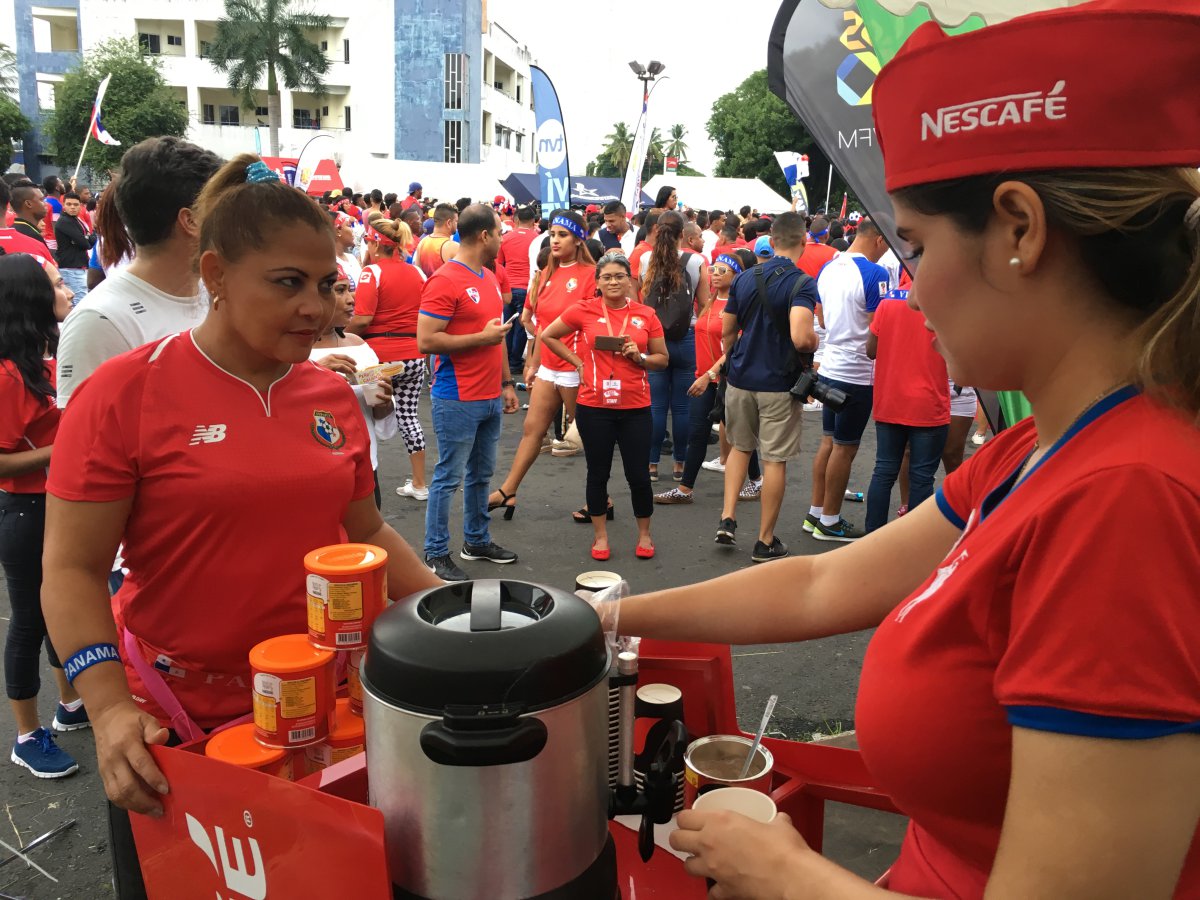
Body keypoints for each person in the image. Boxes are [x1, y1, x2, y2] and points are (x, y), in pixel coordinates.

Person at [612, 5, 1200, 896]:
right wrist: (613, 619)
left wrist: (783, 873)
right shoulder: (1040, 450)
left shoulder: (1127, 498)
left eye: (916, 245)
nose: (910, 290)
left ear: (1019, 228)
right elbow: (821, 581)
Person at [40, 156, 441, 898]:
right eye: (288, 282)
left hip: (325, 710)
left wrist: (449, 608)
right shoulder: (124, 393)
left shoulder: (331, 395)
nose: (316, 308)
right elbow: (70, 569)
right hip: (176, 723)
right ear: (217, 274)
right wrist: (107, 711)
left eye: (326, 284)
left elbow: (367, 535)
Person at [56, 137, 223, 408]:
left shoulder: (219, 293)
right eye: (222, 210)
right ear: (190, 221)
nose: (233, 222)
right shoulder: (101, 321)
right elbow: (84, 442)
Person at [1, 253, 84, 780]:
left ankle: (70, 704)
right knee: (29, 620)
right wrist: (66, 444)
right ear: (32, 299)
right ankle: (27, 736)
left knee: (62, 611)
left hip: (54, 505)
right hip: (26, 510)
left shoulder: (42, 358)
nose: (69, 290)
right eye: (57, 284)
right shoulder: (9, 375)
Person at [540, 253, 667, 560]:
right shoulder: (583, 310)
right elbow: (548, 335)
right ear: (597, 282)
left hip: (635, 406)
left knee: (638, 475)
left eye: (619, 276)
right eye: (607, 277)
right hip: (594, 405)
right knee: (598, 473)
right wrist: (576, 363)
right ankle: (600, 537)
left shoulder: (645, 314)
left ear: (629, 280)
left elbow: (662, 360)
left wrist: (641, 357)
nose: (613, 282)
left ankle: (645, 534)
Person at [417, 204, 519, 582]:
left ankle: (476, 540)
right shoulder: (445, 280)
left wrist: (507, 383)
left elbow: (498, 337)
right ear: (483, 236)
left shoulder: (489, 276)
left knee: (481, 474)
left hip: (490, 394)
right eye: (499, 232)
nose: (502, 238)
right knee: (449, 477)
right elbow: (426, 340)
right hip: (456, 396)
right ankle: (435, 552)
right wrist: (482, 338)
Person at [717, 212, 818, 560]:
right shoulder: (802, 282)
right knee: (774, 460)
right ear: (803, 242)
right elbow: (801, 337)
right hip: (778, 382)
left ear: (771, 242)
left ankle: (727, 517)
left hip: (741, 376)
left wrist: (733, 358)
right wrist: (815, 342)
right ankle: (764, 539)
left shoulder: (744, 278)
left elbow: (728, 330)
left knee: (740, 448)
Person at [487, 210, 596, 518]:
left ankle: (601, 499)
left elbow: (593, 326)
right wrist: (533, 363)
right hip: (548, 366)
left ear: (578, 239)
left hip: (576, 368)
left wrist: (583, 366)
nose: (555, 240)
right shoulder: (545, 273)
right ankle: (508, 491)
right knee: (531, 430)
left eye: (562, 235)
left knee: (589, 437)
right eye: (552, 234)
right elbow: (541, 325)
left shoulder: (591, 275)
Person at [654, 250, 764, 505]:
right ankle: (684, 490)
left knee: (740, 435)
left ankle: (757, 481)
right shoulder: (709, 302)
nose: (714, 274)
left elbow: (736, 347)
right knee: (698, 434)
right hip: (705, 378)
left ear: (736, 276)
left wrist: (710, 373)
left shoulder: (739, 306)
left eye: (722, 271)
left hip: (729, 379)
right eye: (713, 269)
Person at [807, 216, 890, 541]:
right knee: (845, 448)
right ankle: (830, 520)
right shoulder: (875, 272)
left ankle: (816, 513)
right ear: (879, 240)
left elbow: (823, 317)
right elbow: (877, 328)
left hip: (830, 366)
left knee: (829, 442)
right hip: (856, 373)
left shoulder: (829, 267)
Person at [346, 215, 430, 501]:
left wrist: (339, 334)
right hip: (414, 358)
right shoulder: (417, 273)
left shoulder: (372, 272)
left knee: (360, 412)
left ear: (375, 243)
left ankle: (362, 481)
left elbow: (362, 318)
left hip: (380, 363)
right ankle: (419, 484)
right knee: (409, 417)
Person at [864, 285, 949, 532]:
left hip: (890, 399)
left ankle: (872, 538)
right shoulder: (942, 301)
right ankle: (915, 542)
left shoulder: (888, 301)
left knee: (883, 471)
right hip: (928, 403)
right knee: (922, 477)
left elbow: (871, 351)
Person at [311, 265, 398, 509]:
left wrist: (384, 401)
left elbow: (379, 422)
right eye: (340, 291)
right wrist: (315, 373)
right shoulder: (287, 352)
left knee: (365, 541)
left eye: (350, 290)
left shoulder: (359, 346)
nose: (351, 300)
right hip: (313, 472)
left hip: (363, 467)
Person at [641, 210, 707, 482]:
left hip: (655, 339)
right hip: (687, 337)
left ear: (657, 231)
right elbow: (704, 304)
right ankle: (680, 464)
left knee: (656, 406)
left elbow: (641, 300)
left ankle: (652, 464)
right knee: (682, 408)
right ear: (683, 234)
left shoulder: (646, 260)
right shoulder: (697, 261)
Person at [496, 204, 538, 372]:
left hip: (507, 286)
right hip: (526, 288)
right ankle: (514, 362)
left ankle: (505, 360)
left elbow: (498, 264)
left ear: (516, 220)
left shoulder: (505, 238)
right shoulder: (537, 239)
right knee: (522, 325)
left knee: (507, 323)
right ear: (534, 220)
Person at [54, 191, 96, 302]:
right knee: (79, 301)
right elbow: (85, 243)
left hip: (78, 265)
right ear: (63, 205)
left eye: (76, 204)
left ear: (80, 206)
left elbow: (89, 240)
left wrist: (87, 237)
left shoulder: (75, 220)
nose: (72, 207)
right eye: (69, 204)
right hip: (71, 267)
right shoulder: (64, 221)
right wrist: (86, 237)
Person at [0, 180, 54, 257]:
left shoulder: (18, 229)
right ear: (28, 204)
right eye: (41, 200)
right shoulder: (32, 238)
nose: (46, 204)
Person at [414, 202, 459, 277]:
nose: (457, 224)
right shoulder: (453, 247)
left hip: (428, 287)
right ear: (449, 223)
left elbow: (419, 274)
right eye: (456, 221)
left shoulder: (422, 242)